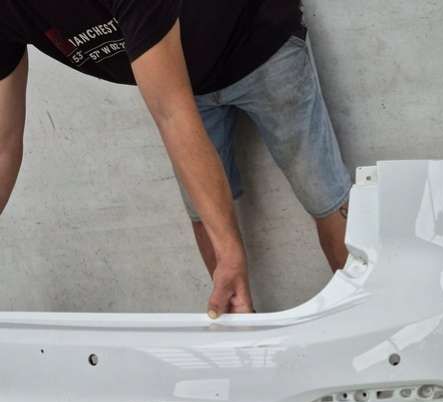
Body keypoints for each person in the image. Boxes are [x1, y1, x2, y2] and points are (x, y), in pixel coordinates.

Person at [0, 0, 352, 315]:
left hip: (260, 43)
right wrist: (225, 252)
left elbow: (172, 113)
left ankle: (358, 318)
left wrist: (230, 252)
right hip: (183, 78)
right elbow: (3, 145)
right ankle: (242, 340)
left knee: (324, 196)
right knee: (205, 220)